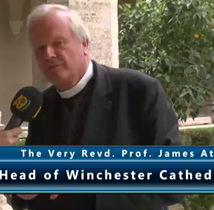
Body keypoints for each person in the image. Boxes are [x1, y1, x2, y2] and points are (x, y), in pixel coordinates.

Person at [11, 3, 183, 210]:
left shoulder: (138, 90)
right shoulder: (40, 106)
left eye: (59, 42)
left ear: (84, 44)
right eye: (40, 48)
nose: (48, 53)